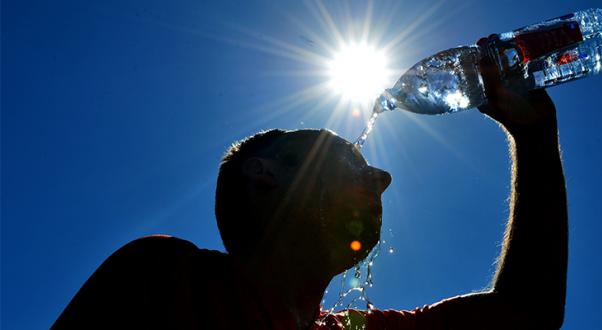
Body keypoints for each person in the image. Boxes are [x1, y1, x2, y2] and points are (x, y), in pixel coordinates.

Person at [53, 41, 568, 329]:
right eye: (345, 158)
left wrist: (536, 139)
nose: (382, 178)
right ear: (265, 173)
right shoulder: (167, 280)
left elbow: (524, 316)